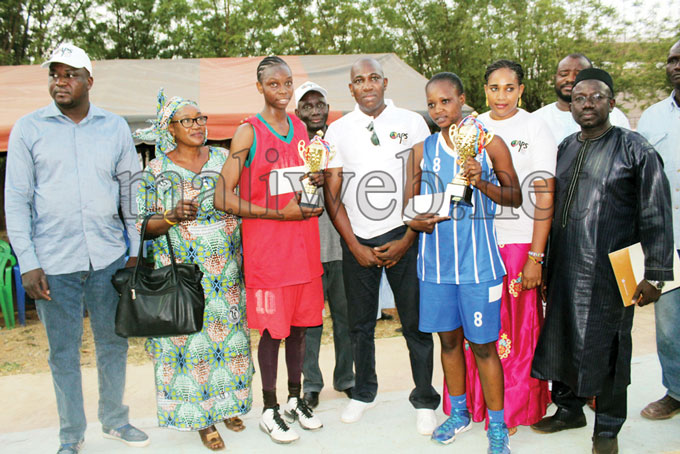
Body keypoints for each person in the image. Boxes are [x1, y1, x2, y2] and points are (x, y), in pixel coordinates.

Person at [4, 44, 148, 454]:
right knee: (63, 352)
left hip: (107, 258)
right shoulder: (28, 129)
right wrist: (28, 263)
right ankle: (71, 434)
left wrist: (134, 250)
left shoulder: (115, 127)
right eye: (55, 74)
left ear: (89, 80)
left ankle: (115, 421)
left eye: (69, 74)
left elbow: (130, 191)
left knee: (113, 343)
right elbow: (16, 199)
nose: (60, 81)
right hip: (52, 264)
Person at [530, 68, 674, 454]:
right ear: (571, 106)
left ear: (611, 103)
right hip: (563, 267)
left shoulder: (635, 149)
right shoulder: (565, 147)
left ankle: (607, 429)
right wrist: (543, 263)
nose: (587, 103)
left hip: (611, 273)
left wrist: (657, 275)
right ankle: (568, 410)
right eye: (579, 98)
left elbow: (656, 214)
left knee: (608, 348)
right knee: (561, 338)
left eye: (596, 97)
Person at [404, 72, 521, 454]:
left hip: (478, 267)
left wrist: (480, 181)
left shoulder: (491, 144)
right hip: (436, 268)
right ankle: (458, 412)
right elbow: (409, 207)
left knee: (484, 347)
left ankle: (498, 425)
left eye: (446, 101)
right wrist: (414, 220)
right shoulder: (422, 150)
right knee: (449, 343)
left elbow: (515, 197)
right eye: (432, 103)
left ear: (462, 100)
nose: (439, 109)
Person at [323, 57, 440, 434]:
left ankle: (424, 398)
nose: (368, 85)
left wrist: (408, 236)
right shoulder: (337, 130)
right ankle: (364, 392)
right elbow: (332, 193)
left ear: (385, 83)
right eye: (360, 80)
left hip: (404, 234)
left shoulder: (412, 122)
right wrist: (353, 244)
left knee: (416, 324)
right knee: (359, 325)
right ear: (352, 89)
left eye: (374, 78)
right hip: (358, 240)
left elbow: (418, 180)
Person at [133, 89, 254, 451]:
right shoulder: (155, 171)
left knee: (230, 343)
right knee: (192, 345)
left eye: (201, 118)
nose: (198, 125)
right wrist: (171, 216)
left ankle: (230, 405)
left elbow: (244, 200)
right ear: (169, 128)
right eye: (188, 120)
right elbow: (143, 225)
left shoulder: (222, 157)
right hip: (182, 277)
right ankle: (202, 419)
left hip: (227, 273)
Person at [214, 56, 325, 444]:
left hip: (304, 246)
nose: (283, 90)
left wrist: (313, 185)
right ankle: (269, 408)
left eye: (288, 83)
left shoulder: (299, 127)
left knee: (299, 329)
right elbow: (221, 198)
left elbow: (300, 185)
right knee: (272, 333)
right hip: (269, 252)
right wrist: (278, 213)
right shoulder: (248, 131)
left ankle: (295, 400)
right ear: (260, 87)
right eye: (274, 84)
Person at [459, 60, 554, 435]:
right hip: (478, 244)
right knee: (480, 331)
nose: (501, 96)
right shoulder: (472, 128)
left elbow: (544, 193)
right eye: (494, 88)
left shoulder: (534, 127)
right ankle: (480, 404)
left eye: (509, 88)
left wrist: (536, 255)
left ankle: (513, 410)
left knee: (515, 332)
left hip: (518, 244)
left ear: (521, 90)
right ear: (484, 91)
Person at [293, 81, 355, 408]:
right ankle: (311, 384)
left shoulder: (342, 139)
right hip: (306, 249)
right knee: (309, 321)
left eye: (320, 104)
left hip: (343, 246)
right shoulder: (290, 144)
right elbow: (280, 189)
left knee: (346, 318)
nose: (315, 110)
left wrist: (331, 177)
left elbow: (358, 182)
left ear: (328, 109)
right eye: (307, 105)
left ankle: (346, 378)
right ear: (297, 111)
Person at [636, 39, 680, 421]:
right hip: (668, 241)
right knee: (668, 327)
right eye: (672, 60)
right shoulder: (650, 118)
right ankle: (676, 392)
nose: (676, 65)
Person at [533, 53, 630, 144]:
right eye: (564, 74)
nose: (570, 79)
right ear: (555, 77)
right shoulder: (537, 119)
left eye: (578, 74)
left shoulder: (616, 116)